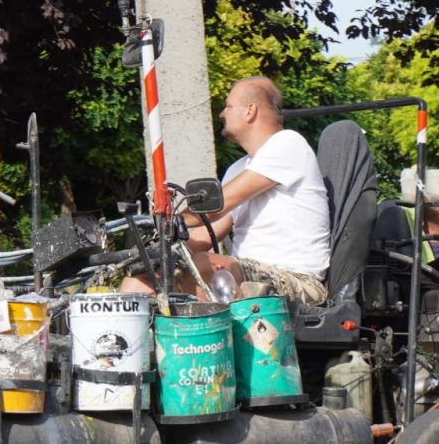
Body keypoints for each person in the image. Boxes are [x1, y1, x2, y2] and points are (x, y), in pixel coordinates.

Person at [122, 76, 330, 302]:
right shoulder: (238, 168)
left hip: (295, 281)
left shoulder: (288, 144)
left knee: (204, 266)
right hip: (247, 273)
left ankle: (197, 338)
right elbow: (205, 233)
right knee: (142, 277)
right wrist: (154, 256)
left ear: (250, 111)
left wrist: (167, 219)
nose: (222, 113)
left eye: (229, 106)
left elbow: (215, 207)